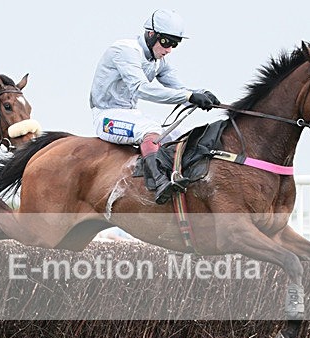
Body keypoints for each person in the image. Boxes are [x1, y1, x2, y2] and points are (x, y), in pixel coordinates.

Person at [89, 9, 220, 205]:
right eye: (166, 42)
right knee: (151, 131)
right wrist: (189, 96)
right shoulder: (125, 50)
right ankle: (158, 183)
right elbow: (141, 89)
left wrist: (201, 94)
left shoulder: (159, 62)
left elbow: (180, 89)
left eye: (175, 44)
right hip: (106, 117)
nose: (169, 50)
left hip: (131, 114)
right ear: (151, 34)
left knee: (182, 134)